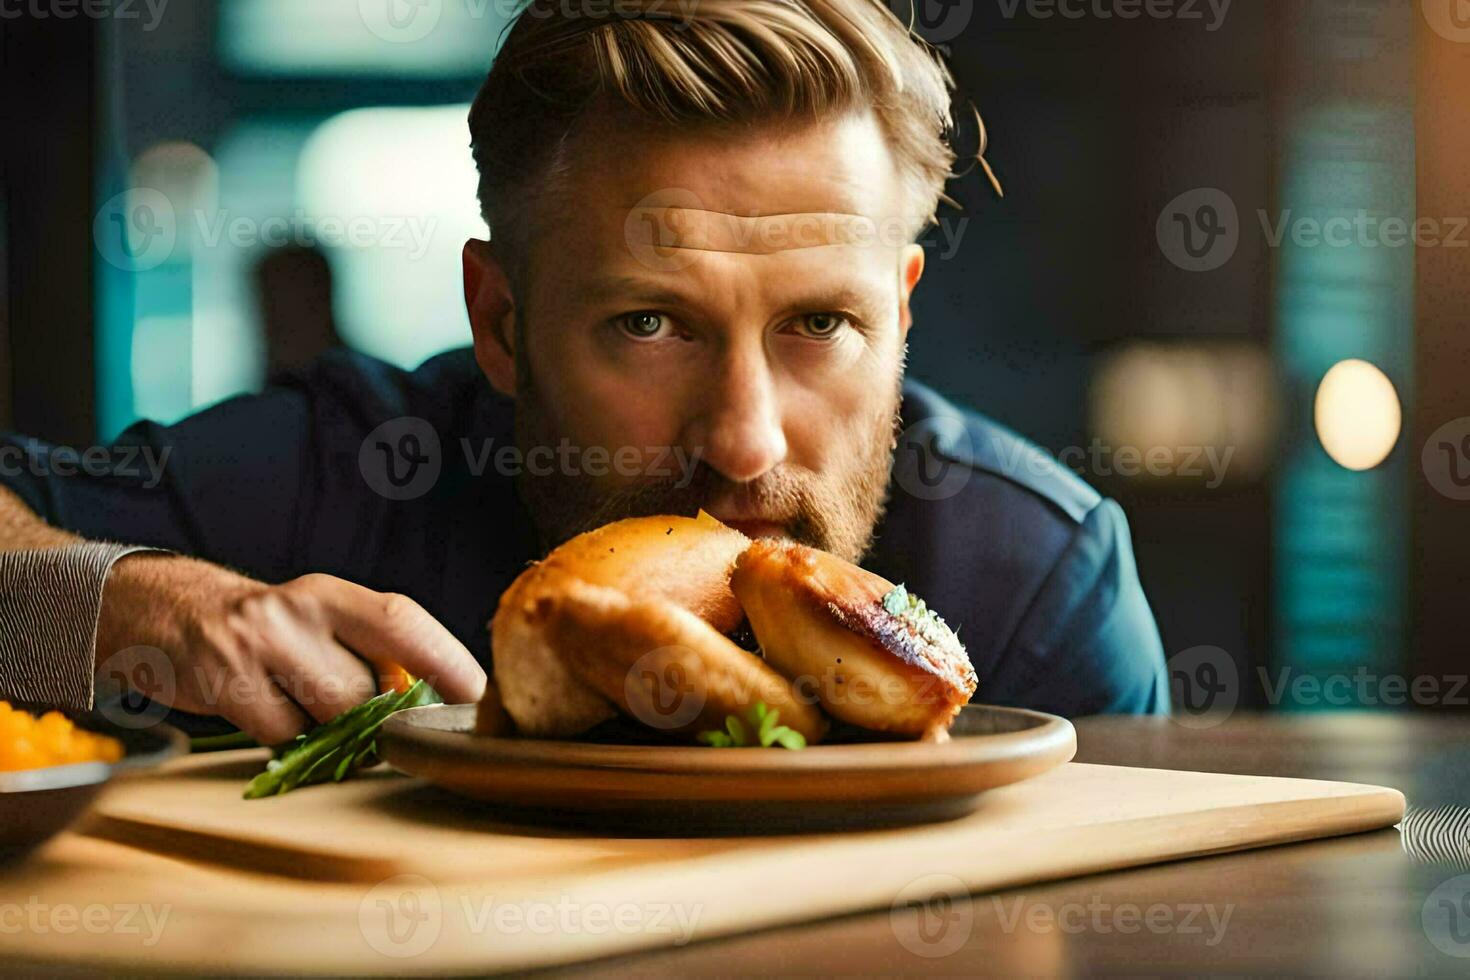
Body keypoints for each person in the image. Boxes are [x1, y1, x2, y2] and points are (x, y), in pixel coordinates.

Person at [0, 0, 1167, 743]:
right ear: (500, 322)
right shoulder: (344, 475)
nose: (745, 443)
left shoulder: (1034, 586)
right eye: (652, 326)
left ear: (901, 314)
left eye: (820, 323)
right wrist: (136, 603)